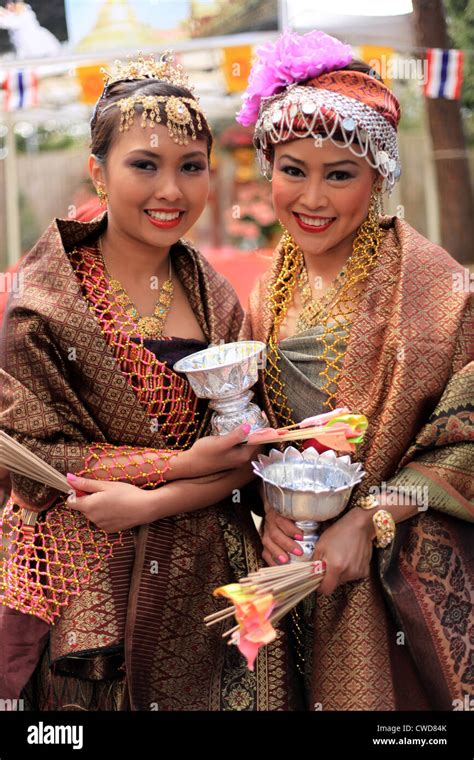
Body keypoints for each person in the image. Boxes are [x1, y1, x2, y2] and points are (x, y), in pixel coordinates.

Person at [0, 52, 299, 711]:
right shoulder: (42, 300)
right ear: (98, 172)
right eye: (146, 164)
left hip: (211, 573)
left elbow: (254, 447)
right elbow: (35, 461)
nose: (172, 190)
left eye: (191, 167)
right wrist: (181, 463)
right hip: (84, 571)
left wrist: (162, 494)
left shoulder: (217, 297)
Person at [238, 30, 473, 710]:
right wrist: (271, 508)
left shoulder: (432, 283)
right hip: (293, 570)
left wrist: (368, 518)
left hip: (399, 584)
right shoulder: (264, 291)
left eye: (339, 174)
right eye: (292, 170)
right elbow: (257, 434)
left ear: (377, 176)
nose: (311, 198)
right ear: (268, 168)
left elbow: (466, 439)